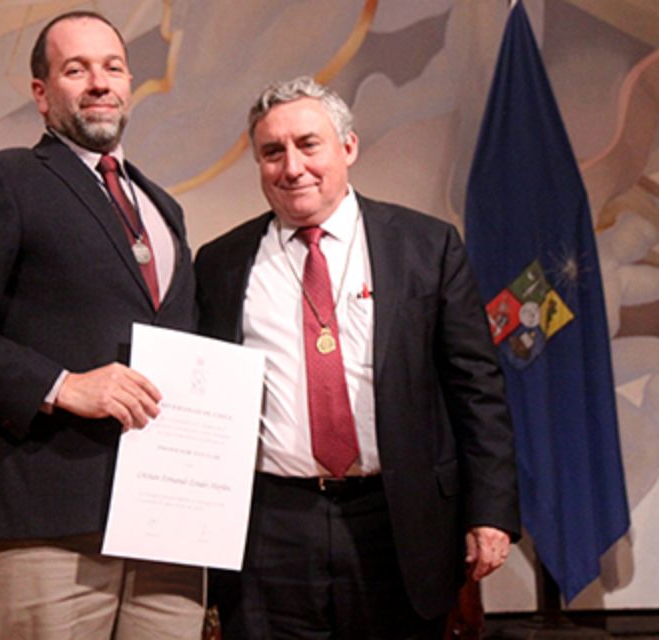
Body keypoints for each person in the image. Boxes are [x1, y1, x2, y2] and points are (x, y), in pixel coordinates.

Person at [0, 10, 201, 639]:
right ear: (41, 94)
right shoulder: (3, 179)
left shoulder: (161, 205)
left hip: (166, 518)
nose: (99, 82)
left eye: (112, 66)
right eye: (76, 69)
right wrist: (63, 384)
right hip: (51, 514)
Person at [194, 77, 520, 639]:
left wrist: (490, 512)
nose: (292, 166)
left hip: (399, 521)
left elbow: (477, 390)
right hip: (269, 527)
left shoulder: (427, 246)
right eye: (273, 152)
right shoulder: (220, 263)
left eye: (308, 144)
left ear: (347, 147)